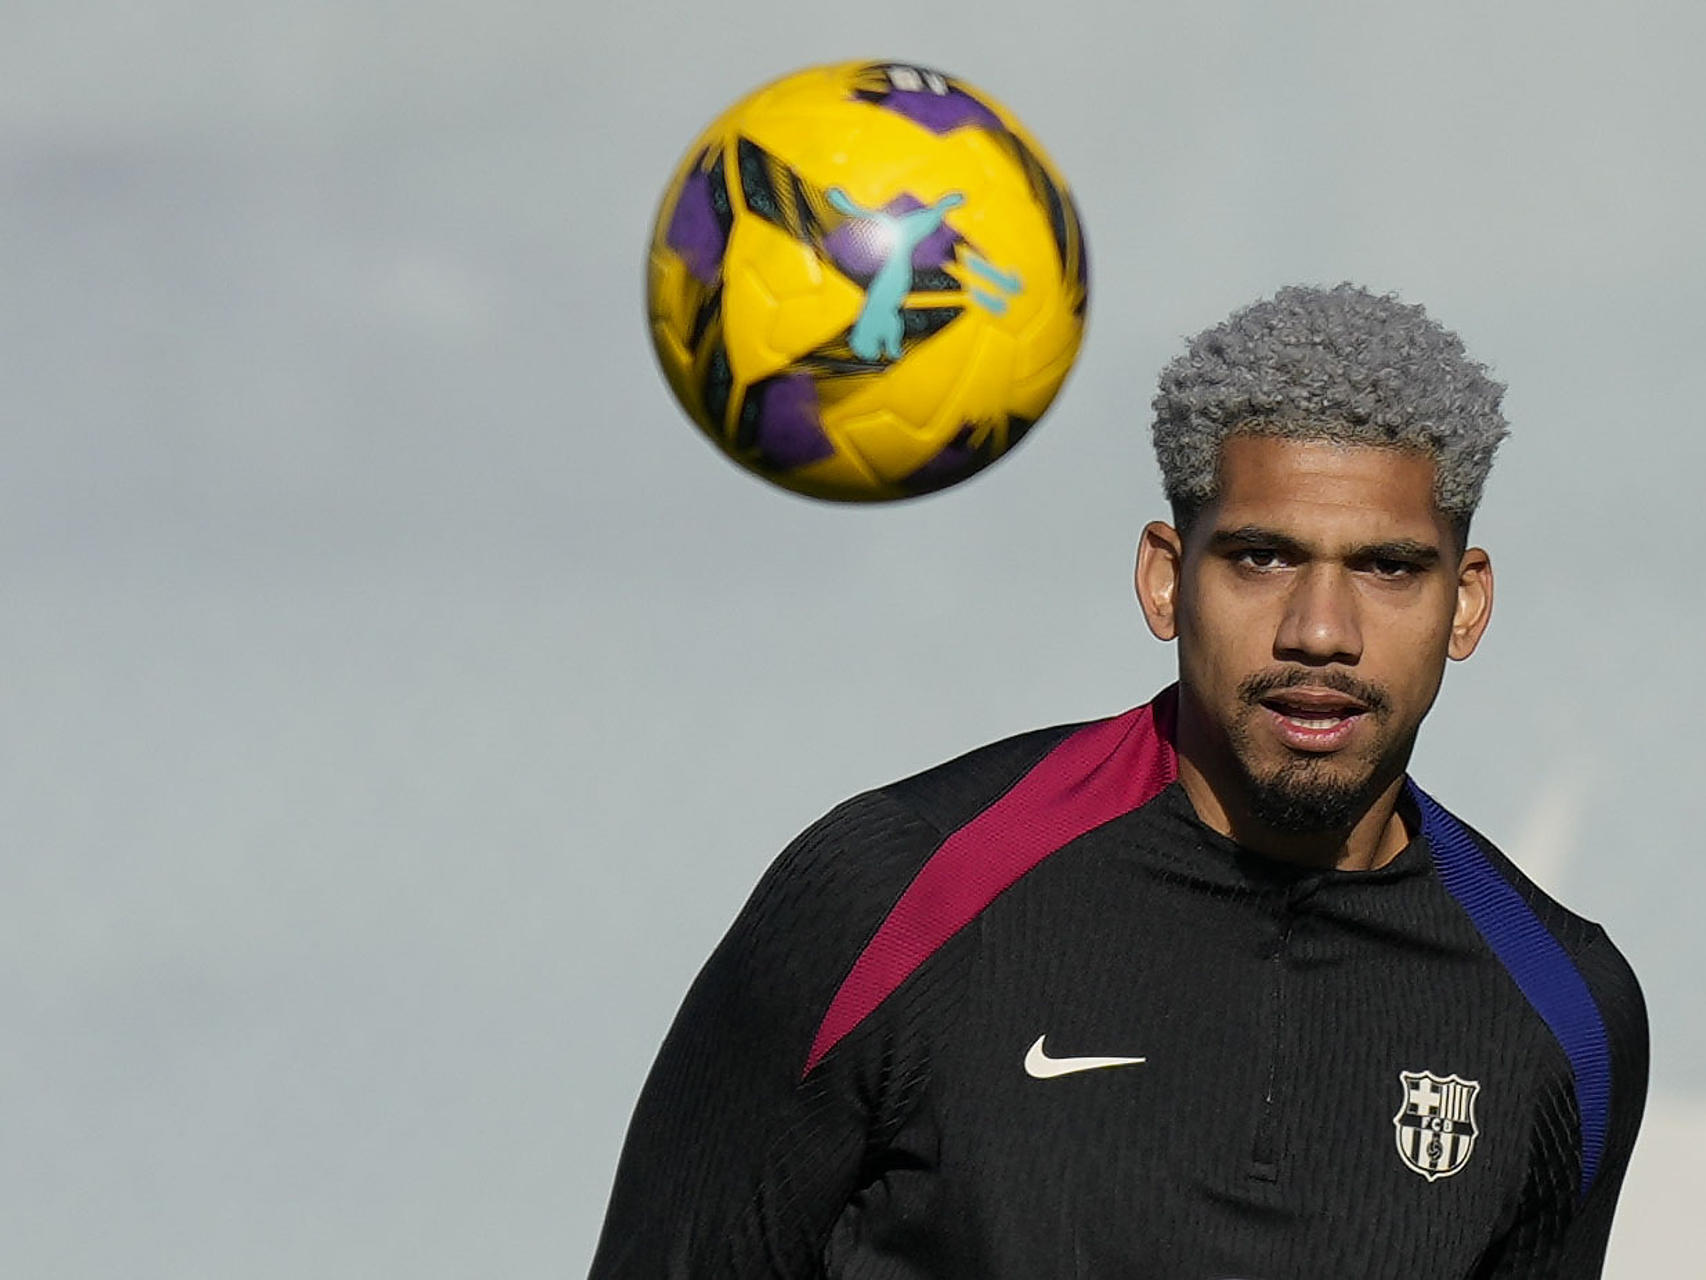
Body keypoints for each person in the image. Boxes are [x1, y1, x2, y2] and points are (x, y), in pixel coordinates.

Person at [587, 284, 1649, 1278]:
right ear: (1163, 577)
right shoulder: (893, 892)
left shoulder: (1561, 1011)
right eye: (1262, 556)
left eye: (1387, 567)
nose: (1321, 630)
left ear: (1464, 603)